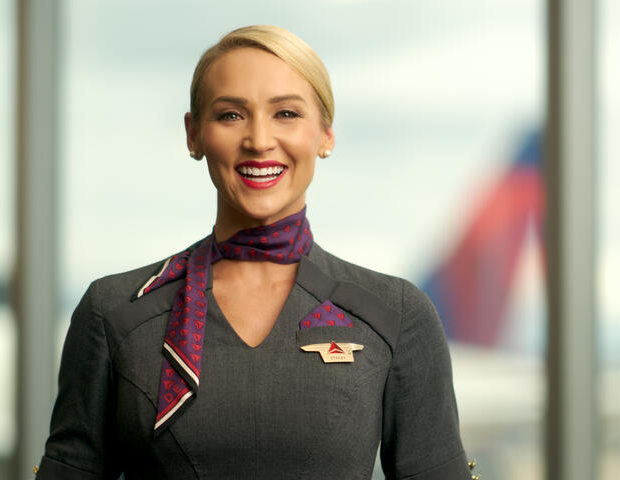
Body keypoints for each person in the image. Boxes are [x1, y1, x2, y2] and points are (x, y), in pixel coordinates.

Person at [36, 25, 474, 479]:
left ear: (325, 134)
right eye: (230, 116)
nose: (259, 140)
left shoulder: (395, 315)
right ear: (194, 134)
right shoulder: (114, 314)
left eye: (286, 113)